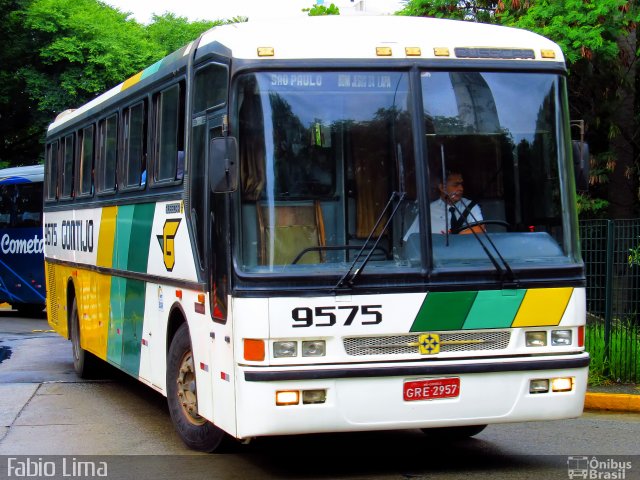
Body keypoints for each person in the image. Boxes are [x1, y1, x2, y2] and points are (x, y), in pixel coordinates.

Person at [404, 171, 483, 238]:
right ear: (442, 187)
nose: (461, 188)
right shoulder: (428, 210)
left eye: (461, 184)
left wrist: (453, 237)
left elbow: (480, 229)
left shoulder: (470, 206)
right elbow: (411, 240)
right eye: (456, 185)